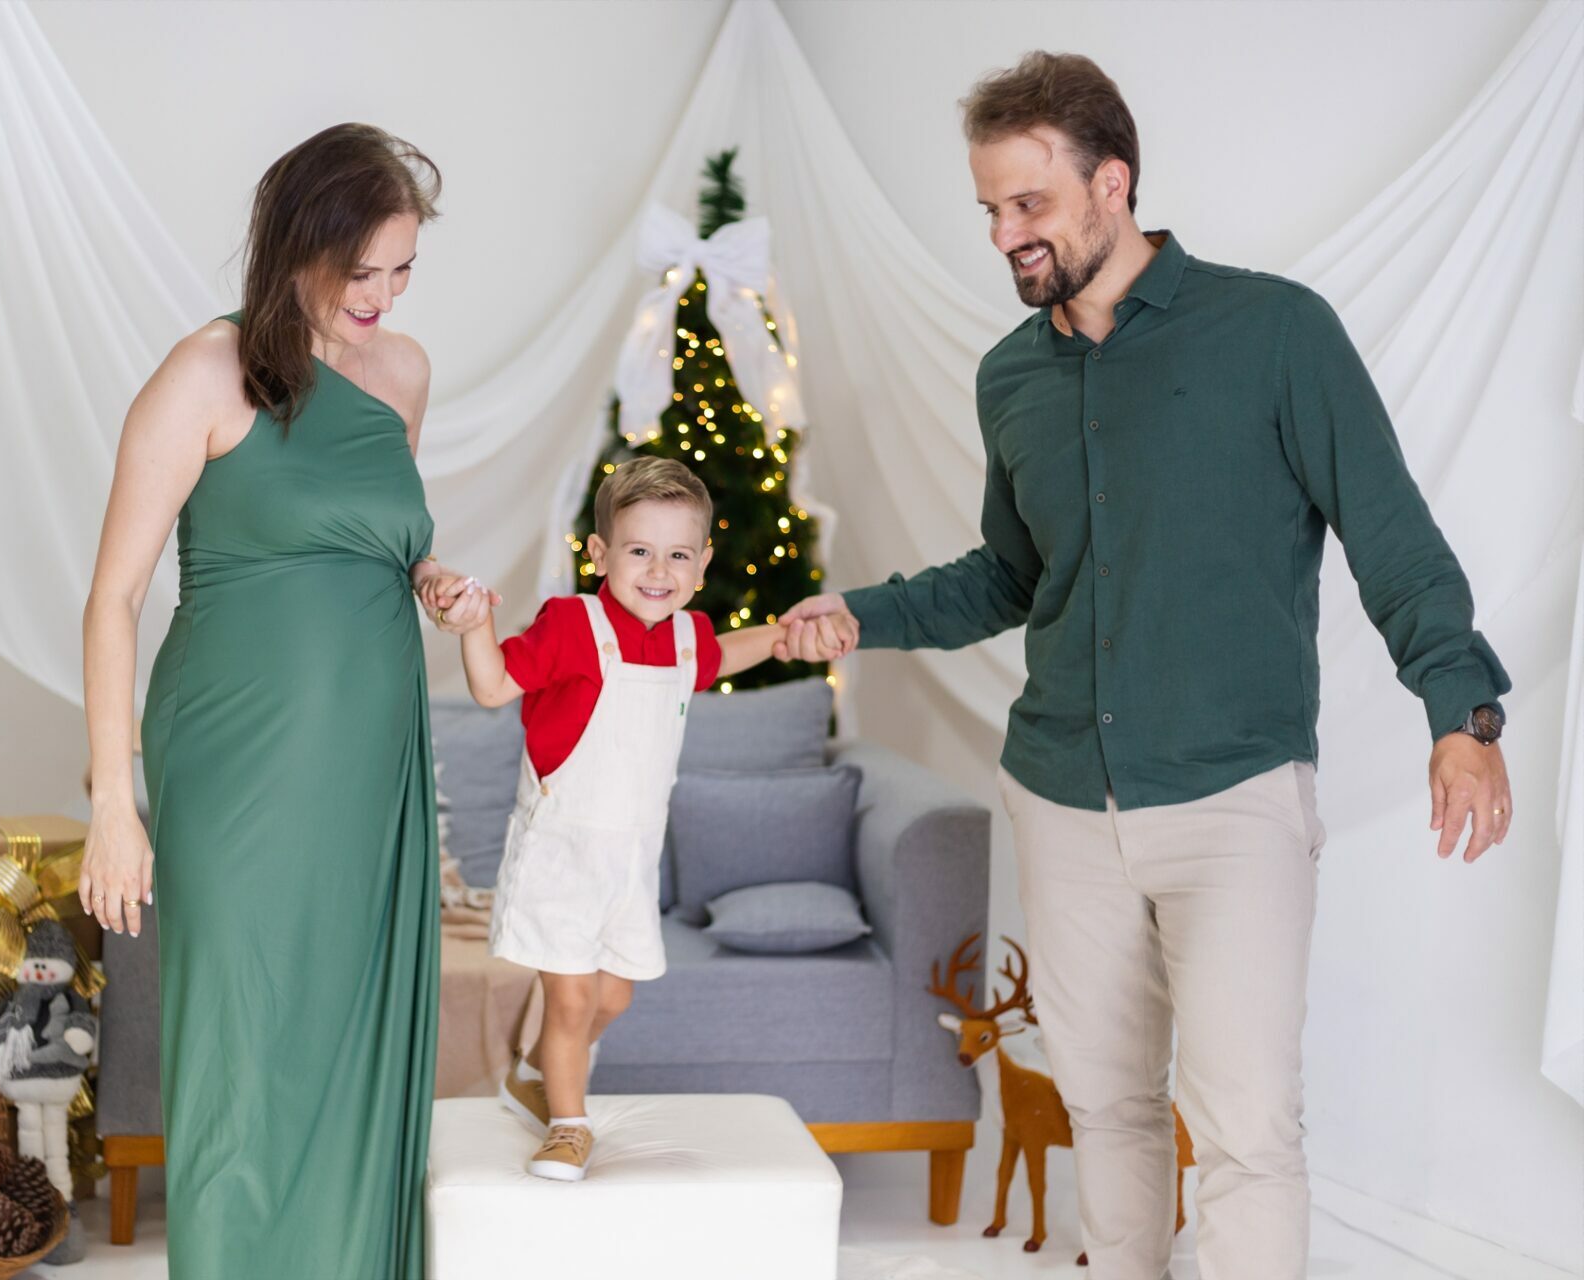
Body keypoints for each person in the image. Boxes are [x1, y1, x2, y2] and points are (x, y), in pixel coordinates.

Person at [777, 52, 1513, 1279]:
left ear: (1112, 182)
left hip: (1234, 797)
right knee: (1108, 1112)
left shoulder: (1276, 332)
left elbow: (1394, 539)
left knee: (1246, 1133)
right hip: (1064, 796)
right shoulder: (1011, 376)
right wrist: (862, 614)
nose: (1005, 236)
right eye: (990, 209)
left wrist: (1462, 712)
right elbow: (1011, 575)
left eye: (1030, 203)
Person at [79, 123, 484, 1278]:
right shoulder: (207, 372)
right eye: (362, 269)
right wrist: (114, 802)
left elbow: (372, 531)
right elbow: (113, 597)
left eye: (403, 270)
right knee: (243, 1040)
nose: (383, 295)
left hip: (371, 751)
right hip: (235, 754)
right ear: (297, 245)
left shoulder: (402, 372)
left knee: (353, 1029)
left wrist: (431, 577)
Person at [430, 456, 837, 1181]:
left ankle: (532, 1075)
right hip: (561, 852)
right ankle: (568, 1126)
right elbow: (492, 688)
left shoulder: (686, 637)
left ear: (703, 563)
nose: (657, 570)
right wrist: (476, 625)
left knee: (612, 996)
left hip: (630, 862)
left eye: (678, 555)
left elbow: (720, 655)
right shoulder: (572, 624)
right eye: (639, 550)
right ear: (599, 552)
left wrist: (782, 637)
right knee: (572, 997)